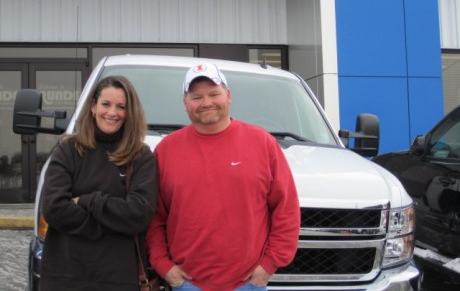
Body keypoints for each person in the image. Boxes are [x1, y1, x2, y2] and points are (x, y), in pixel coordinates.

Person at [146, 63, 300, 291]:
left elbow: (286, 210)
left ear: (228, 96)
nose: (206, 102)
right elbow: (154, 217)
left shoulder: (262, 143)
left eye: (214, 94)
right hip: (185, 286)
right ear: (185, 103)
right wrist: (166, 269)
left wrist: (267, 267)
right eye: (196, 96)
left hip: (247, 285)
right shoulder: (166, 150)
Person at [40, 75, 158, 291]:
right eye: (106, 104)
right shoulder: (68, 150)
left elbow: (138, 214)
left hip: (117, 279)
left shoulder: (141, 157)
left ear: (129, 112)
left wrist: (87, 201)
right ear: (93, 106)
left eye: (121, 106)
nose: (112, 113)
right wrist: (113, 223)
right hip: (65, 277)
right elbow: (54, 209)